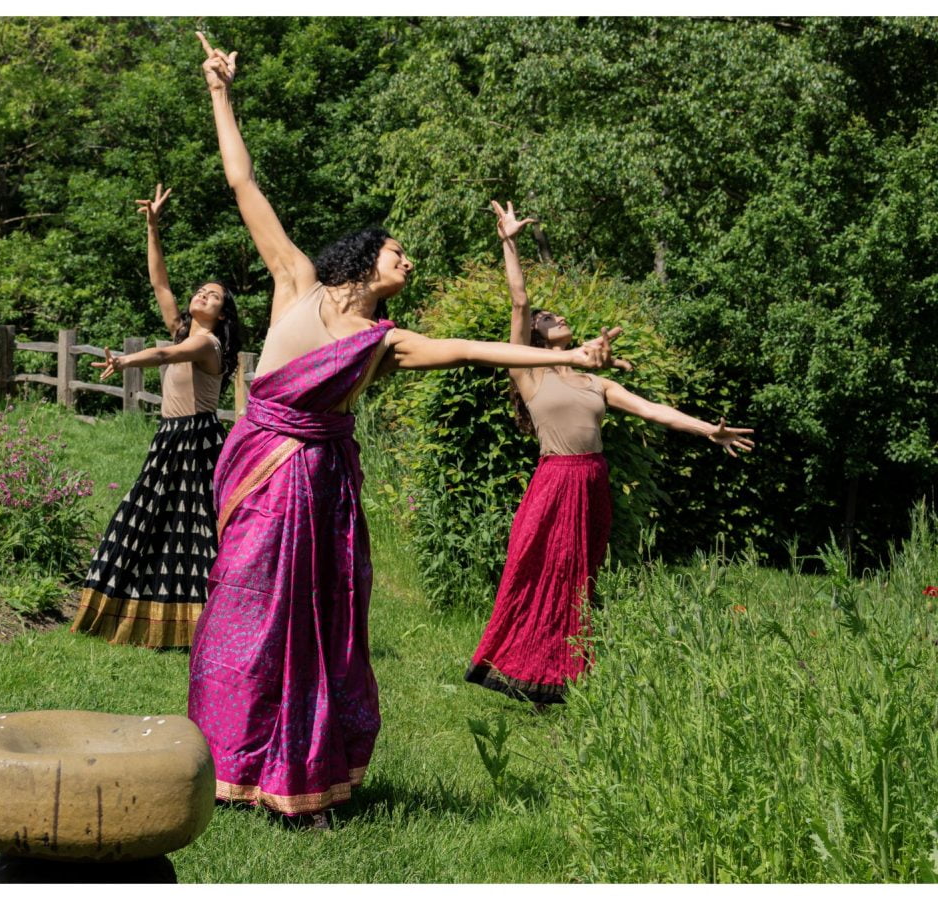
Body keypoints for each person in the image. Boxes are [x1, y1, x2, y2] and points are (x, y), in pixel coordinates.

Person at [188, 35, 624, 824]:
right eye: (399, 250)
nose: (408, 259)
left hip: (321, 488)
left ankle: (302, 774)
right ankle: (225, 761)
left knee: (320, 622)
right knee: (249, 611)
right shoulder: (297, 281)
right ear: (365, 255)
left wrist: (576, 352)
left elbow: (470, 351)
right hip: (262, 470)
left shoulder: (384, 344)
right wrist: (221, 92)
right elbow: (241, 181)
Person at [465, 200, 755, 707]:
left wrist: (709, 430)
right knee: (540, 571)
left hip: (591, 482)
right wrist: (508, 242)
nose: (555, 317)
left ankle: (565, 674)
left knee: (579, 578)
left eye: (556, 315)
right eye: (547, 316)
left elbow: (654, 411)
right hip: (554, 482)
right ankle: (526, 669)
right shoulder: (527, 372)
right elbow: (518, 301)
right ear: (535, 334)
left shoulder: (596, 381)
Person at [70, 183, 243, 648]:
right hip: (171, 436)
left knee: (197, 530)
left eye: (215, 298)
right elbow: (160, 282)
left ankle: (220, 624)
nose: (204, 297)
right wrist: (152, 226)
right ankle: (135, 615)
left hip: (199, 440)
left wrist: (127, 362)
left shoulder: (207, 343)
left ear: (223, 316)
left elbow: (169, 352)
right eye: (202, 292)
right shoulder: (184, 326)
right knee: (148, 518)